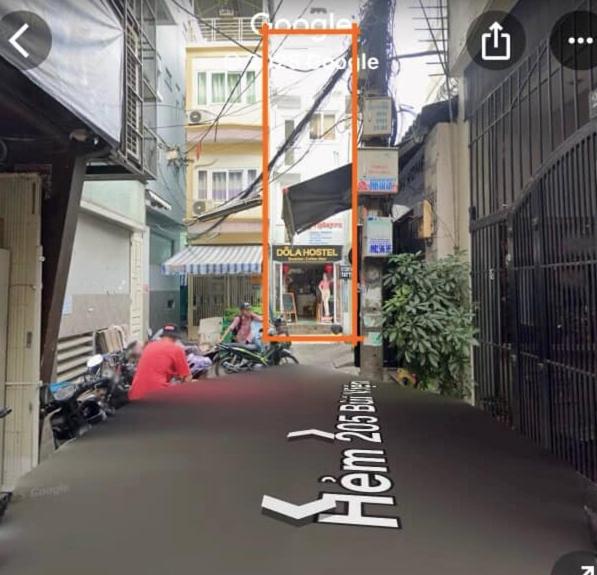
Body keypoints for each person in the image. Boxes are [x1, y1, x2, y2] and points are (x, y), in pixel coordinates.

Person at [128, 324, 191, 400]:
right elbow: (187, 378)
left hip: (135, 395)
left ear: (162, 336)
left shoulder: (149, 346)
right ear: (175, 338)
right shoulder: (177, 349)